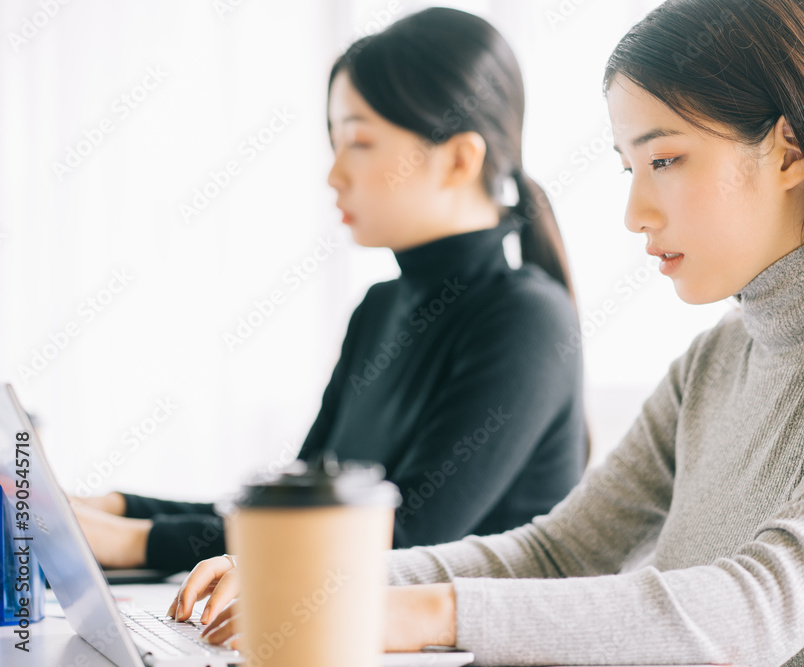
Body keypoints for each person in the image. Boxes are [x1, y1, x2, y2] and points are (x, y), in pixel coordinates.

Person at [170, 0, 804, 664]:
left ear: (789, 152)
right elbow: (560, 552)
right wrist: (311, 583)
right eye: (627, 167)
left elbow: (758, 607)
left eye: (665, 159)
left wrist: (401, 612)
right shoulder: (715, 360)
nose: (635, 213)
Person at [72, 7, 588, 574]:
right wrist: (120, 510)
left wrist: (135, 542)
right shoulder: (379, 309)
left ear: (460, 158)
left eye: (359, 142)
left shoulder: (527, 319)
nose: (334, 173)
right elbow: (296, 512)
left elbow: (403, 541)